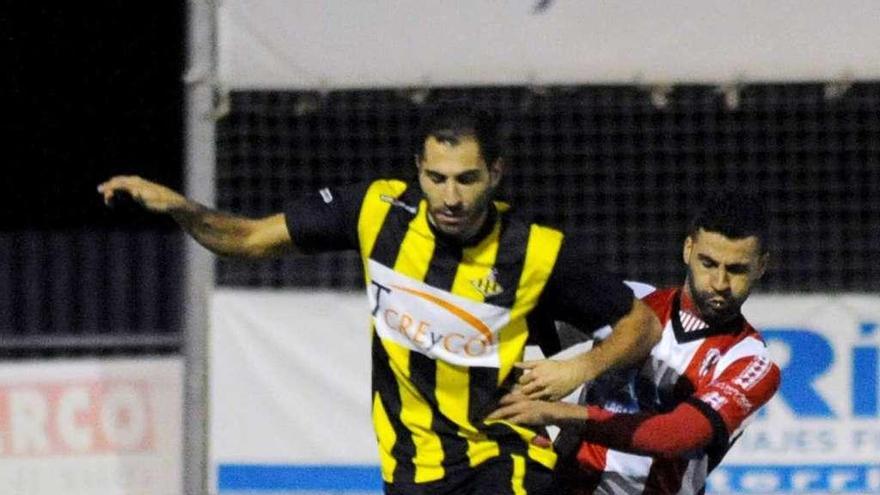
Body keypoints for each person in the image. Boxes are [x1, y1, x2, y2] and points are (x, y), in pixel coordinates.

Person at [98, 102, 662, 495]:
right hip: (412, 463)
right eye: (436, 178)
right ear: (418, 170)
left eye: (466, 179)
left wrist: (582, 367)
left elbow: (641, 325)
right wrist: (179, 207)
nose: (450, 197)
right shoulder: (375, 212)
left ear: (496, 173)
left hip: (509, 454)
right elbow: (246, 239)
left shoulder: (537, 251)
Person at [489, 194, 781, 494]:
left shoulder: (752, 363)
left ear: (761, 266)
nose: (719, 282)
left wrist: (551, 412)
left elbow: (675, 435)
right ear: (688, 249)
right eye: (708, 263)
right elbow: (515, 327)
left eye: (736, 269)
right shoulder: (634, 307)